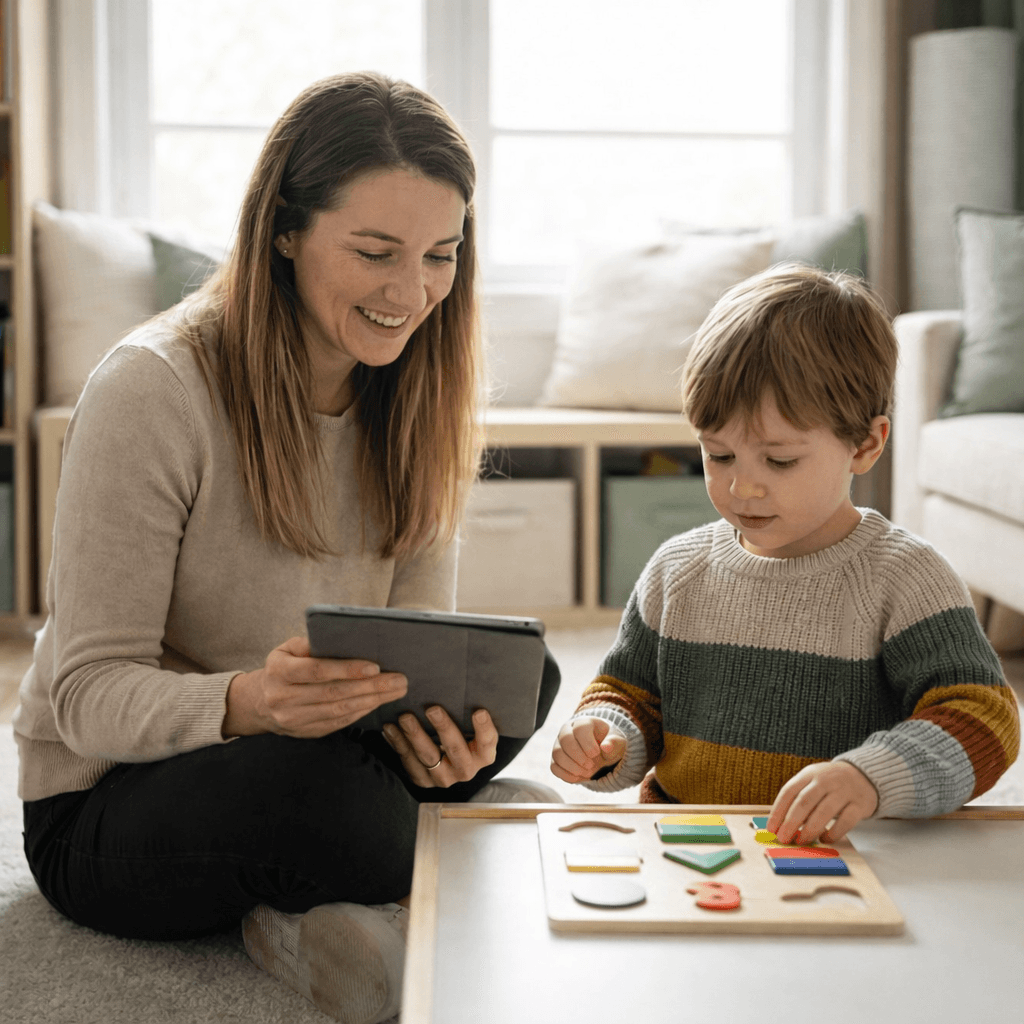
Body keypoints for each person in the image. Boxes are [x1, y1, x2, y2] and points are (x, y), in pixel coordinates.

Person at [14, 72, 559, 1024]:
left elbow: (417, 643)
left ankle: (331, 884)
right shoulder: (151, 391)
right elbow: (88, 697)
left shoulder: (421, 392)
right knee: (324, 798)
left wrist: (434, 738)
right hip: (112, 796)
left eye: (440, 256)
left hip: (319, 741)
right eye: (375, 252)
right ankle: (371, 869)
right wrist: (252, 702)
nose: (412, 293)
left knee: (523, 678)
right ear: (284, 231)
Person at [550, 263, 1019, 843]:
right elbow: (630, 696)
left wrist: (869, 777)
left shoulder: (904, 577)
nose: (742, 486)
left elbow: (983, 718)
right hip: (684, 844)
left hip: (837, 855)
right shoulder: (677, 569)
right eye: (719, 455)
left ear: (865, 445)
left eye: (779, 461)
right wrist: (604, 735)